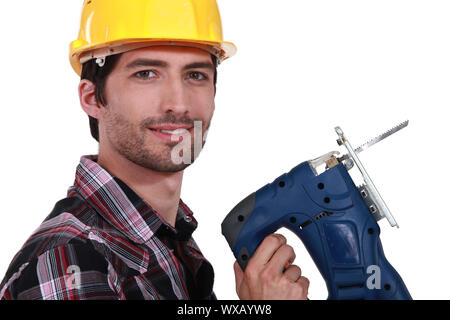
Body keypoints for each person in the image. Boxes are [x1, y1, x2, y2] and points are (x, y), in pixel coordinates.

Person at [0, 0, 309, 300]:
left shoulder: (166, 240)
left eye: (195, 75)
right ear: (93, 98)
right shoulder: (69, 265)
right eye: (146, 73)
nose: (179, 103)